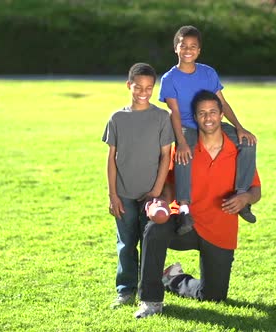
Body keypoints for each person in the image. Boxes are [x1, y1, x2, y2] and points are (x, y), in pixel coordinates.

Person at [134, 90, 262, 318]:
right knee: (154, 230)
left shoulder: (239, 150)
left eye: (213, 112)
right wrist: (162, 202)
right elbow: (170, 183)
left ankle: (172, 277)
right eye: (202, 113)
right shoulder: (184, 148)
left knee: (214, 296)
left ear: (222, 114)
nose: (208, 117)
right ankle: (150, 301)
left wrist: (245, 198)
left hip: (220, 229)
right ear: (195, 117)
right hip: (185, 222)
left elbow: (256, 189)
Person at [159, 25, 258, 236]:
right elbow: (174, 113)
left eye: (193, 46)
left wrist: (240, 128)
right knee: (184, 156)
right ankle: (184, 208)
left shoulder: (208, 73)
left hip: (212, 122)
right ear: (175, 48)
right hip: (187, 125)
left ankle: (242, 197)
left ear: (199, 50)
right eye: (183, 45)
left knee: (248, 141)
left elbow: (222, 103)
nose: (188, 50)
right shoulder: (169, 79)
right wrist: (182, 142)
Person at [102, 63, 175, 309]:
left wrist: (156, 191)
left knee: (149, 244)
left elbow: (166, 156)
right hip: (123, 193)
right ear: (128, 85)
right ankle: (125, 290)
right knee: (125, 243)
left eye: (149, 88)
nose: (144, 92)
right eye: (138, 87)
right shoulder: (117, 118)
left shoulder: (162, 117)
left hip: (150, 196)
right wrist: (113, 195)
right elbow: (111, 159)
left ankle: (149, 289)